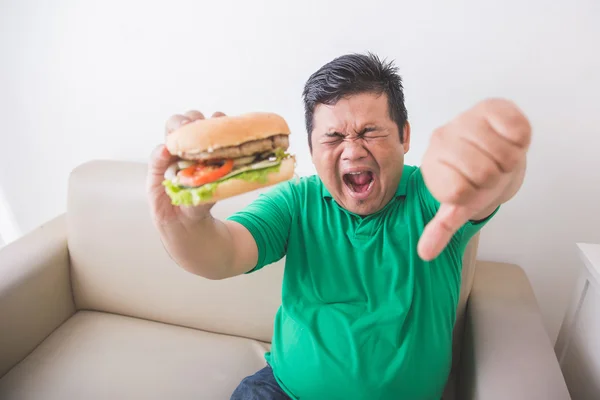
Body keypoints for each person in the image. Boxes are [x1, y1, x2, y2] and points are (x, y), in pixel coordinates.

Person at [147, 53, 531, 400]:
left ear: (405, 136)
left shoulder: (429, 195)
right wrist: (182, 223)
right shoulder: (296, 200)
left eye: (369, 132)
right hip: (281, 391)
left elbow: (491, 188)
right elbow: (223, 254)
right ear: (312, 150)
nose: (352, 150)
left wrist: (500, 160)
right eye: (332, 137)